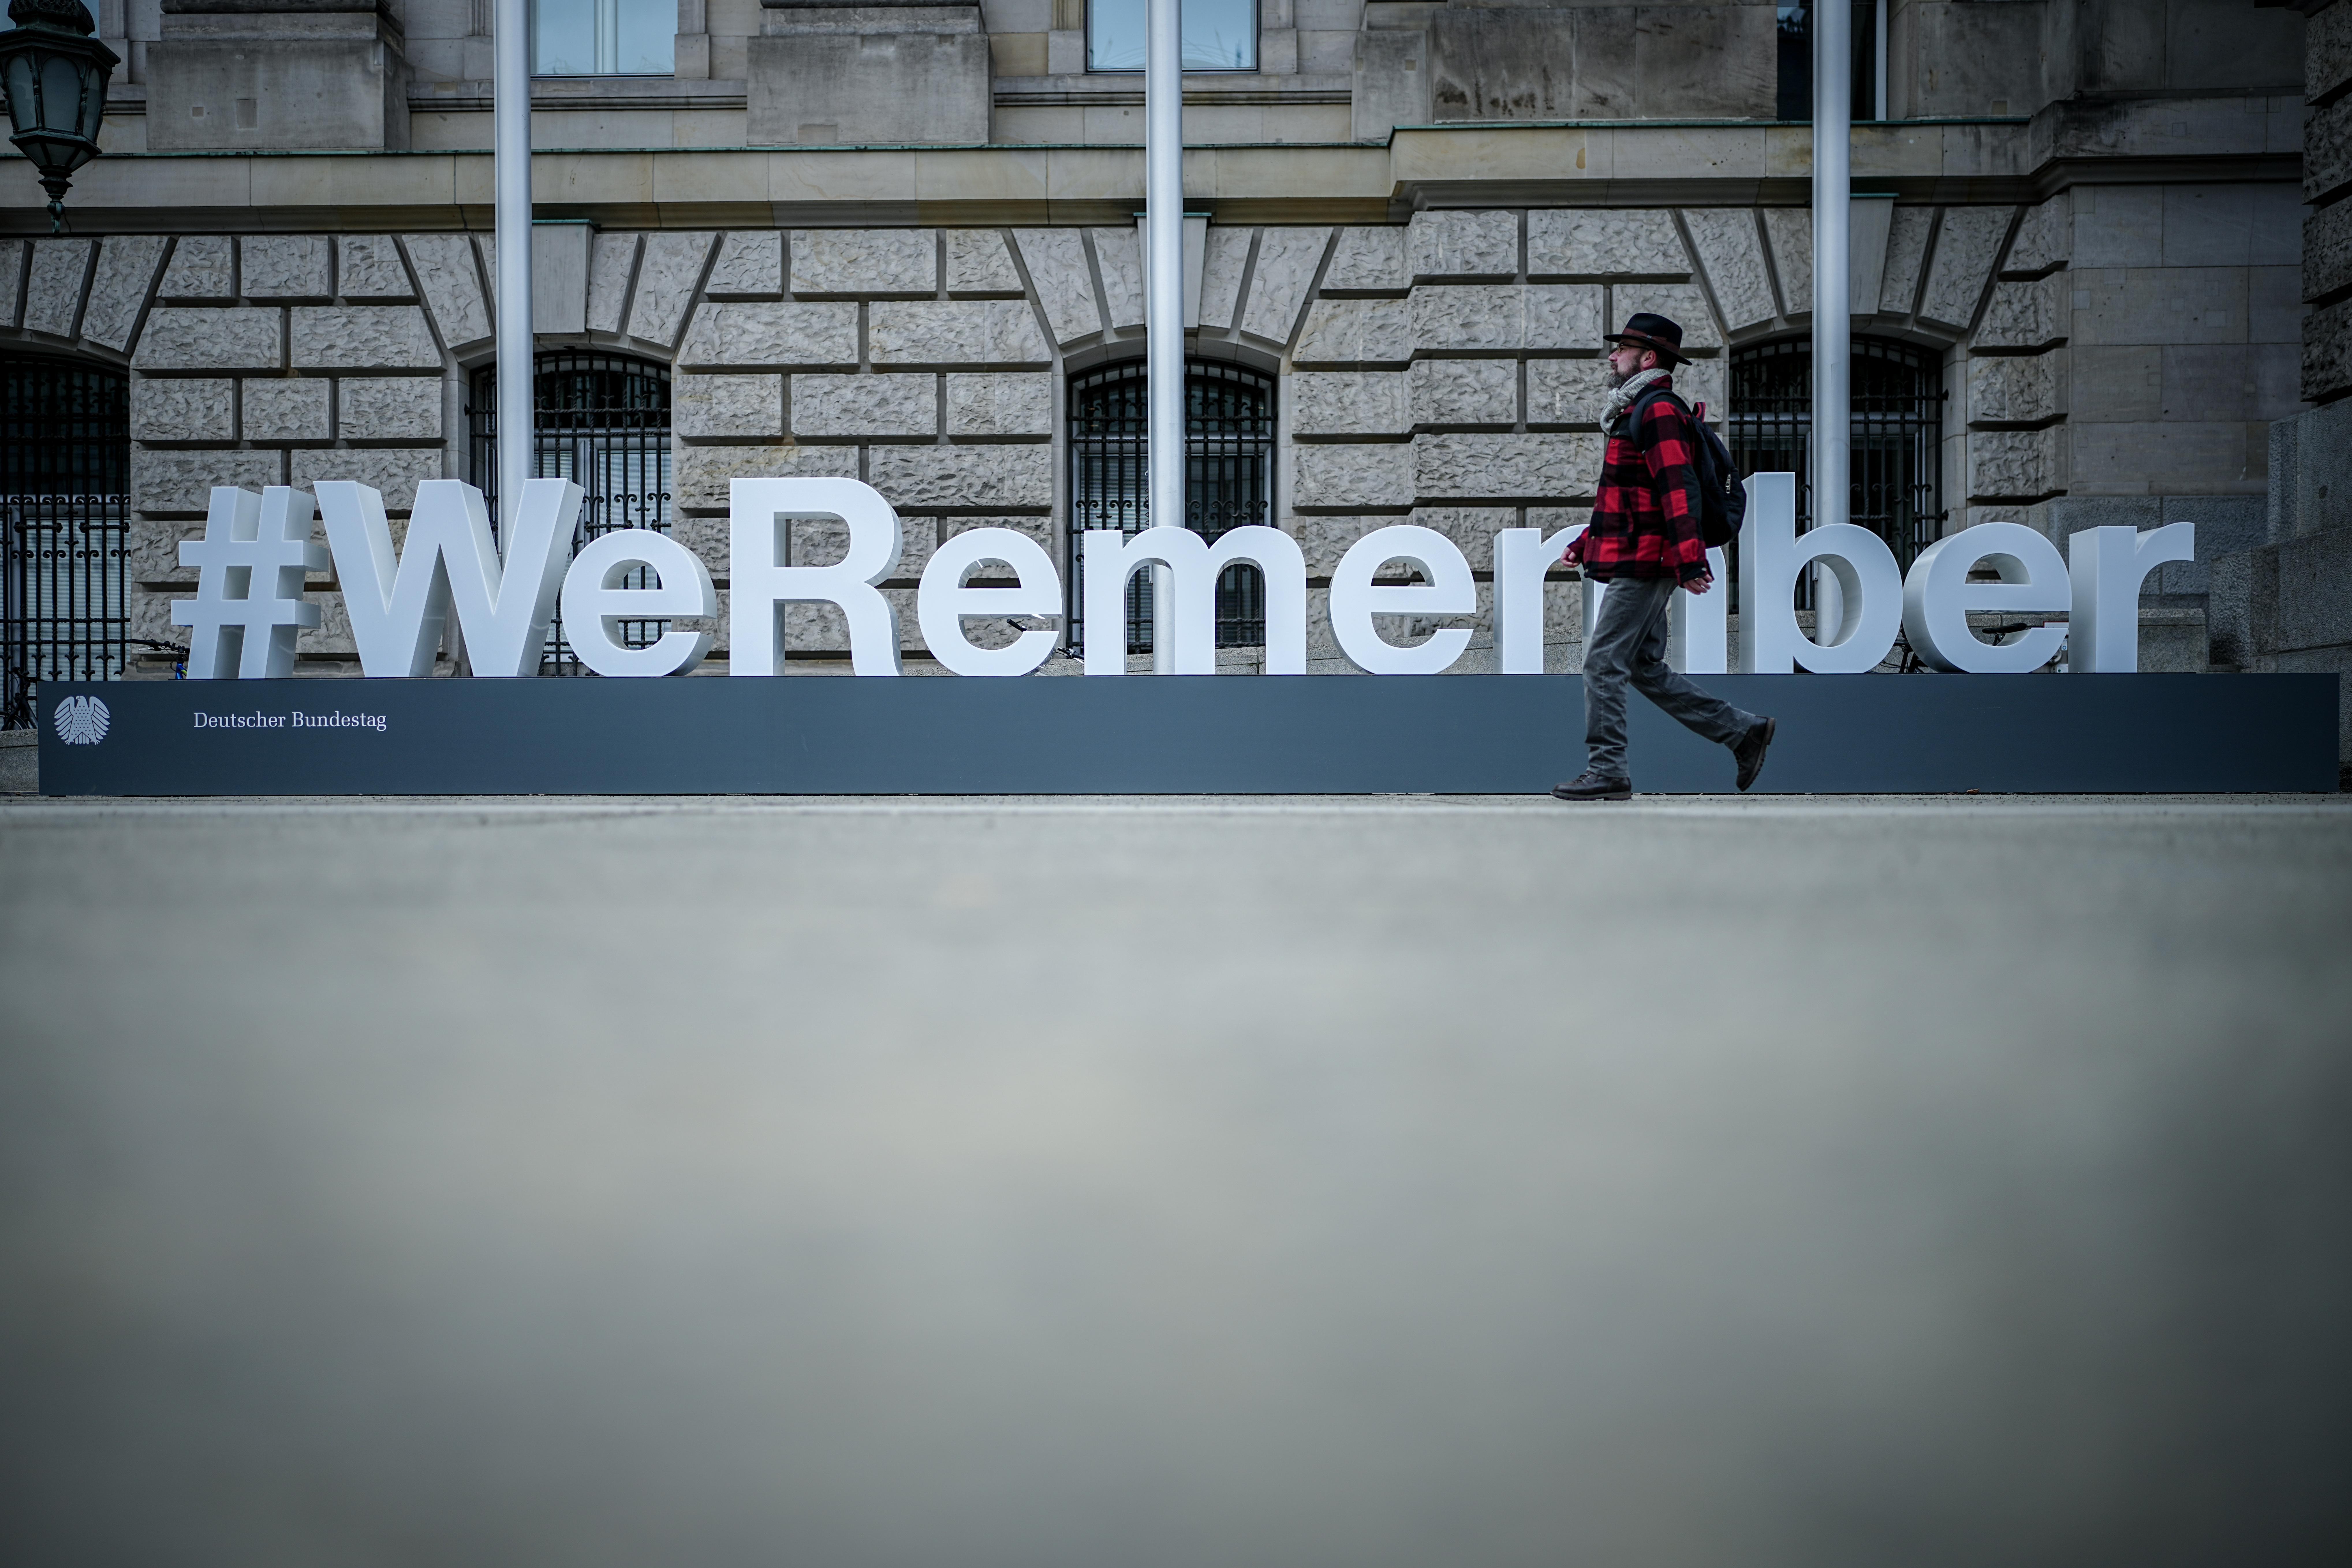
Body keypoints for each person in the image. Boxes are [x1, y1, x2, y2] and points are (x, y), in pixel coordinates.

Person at [1554, 313, 1776, 801]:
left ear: (1648, 358)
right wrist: (1585, 542)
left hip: (1648, 561)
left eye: (1621, 351)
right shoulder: (1636, 412)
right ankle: (1742, 732)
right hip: (1640, 553)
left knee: (1603, 662)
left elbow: (1679, 488)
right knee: (1641, 666)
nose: (1612, 357)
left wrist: (1689, 559)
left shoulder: (1656, 411)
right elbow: (1630, 496)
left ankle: (1608, 769)